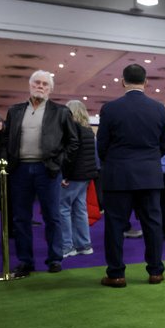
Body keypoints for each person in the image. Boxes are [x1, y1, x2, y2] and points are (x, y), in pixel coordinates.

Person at [97, 64, 165, 288]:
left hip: (118, 175)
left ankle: (117, 274)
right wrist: (147, 160)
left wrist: (117, 161)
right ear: (146, 82)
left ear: (122, 81)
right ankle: (156, 271)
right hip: (149, 175)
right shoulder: (159, 109)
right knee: (153, 225)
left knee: (115, 226)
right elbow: (164, 145)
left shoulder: (110, 109)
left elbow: (102, 146)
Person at [1, 70, 79, 277]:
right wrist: (6, 162)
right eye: (37, 82)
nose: (41, 86)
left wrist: (59, 162)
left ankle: (54, 259)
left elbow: (73, 142)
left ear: (50, 89)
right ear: (30, 85)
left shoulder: (61, 112)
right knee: (20, 218)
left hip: (48, 170)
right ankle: (26, 261)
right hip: (20, 171)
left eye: (45, 84)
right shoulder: (15, 111)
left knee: (52, 216)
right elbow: (6, 139)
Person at [60, 100, 98, 257]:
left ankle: (67, 246)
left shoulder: (72, 128)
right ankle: (84, 244)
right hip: (86, 175)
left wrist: (65, 175)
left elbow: (71, 155)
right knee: (80, 209)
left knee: (63, 209)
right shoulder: (88, 129)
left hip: (74, 175)